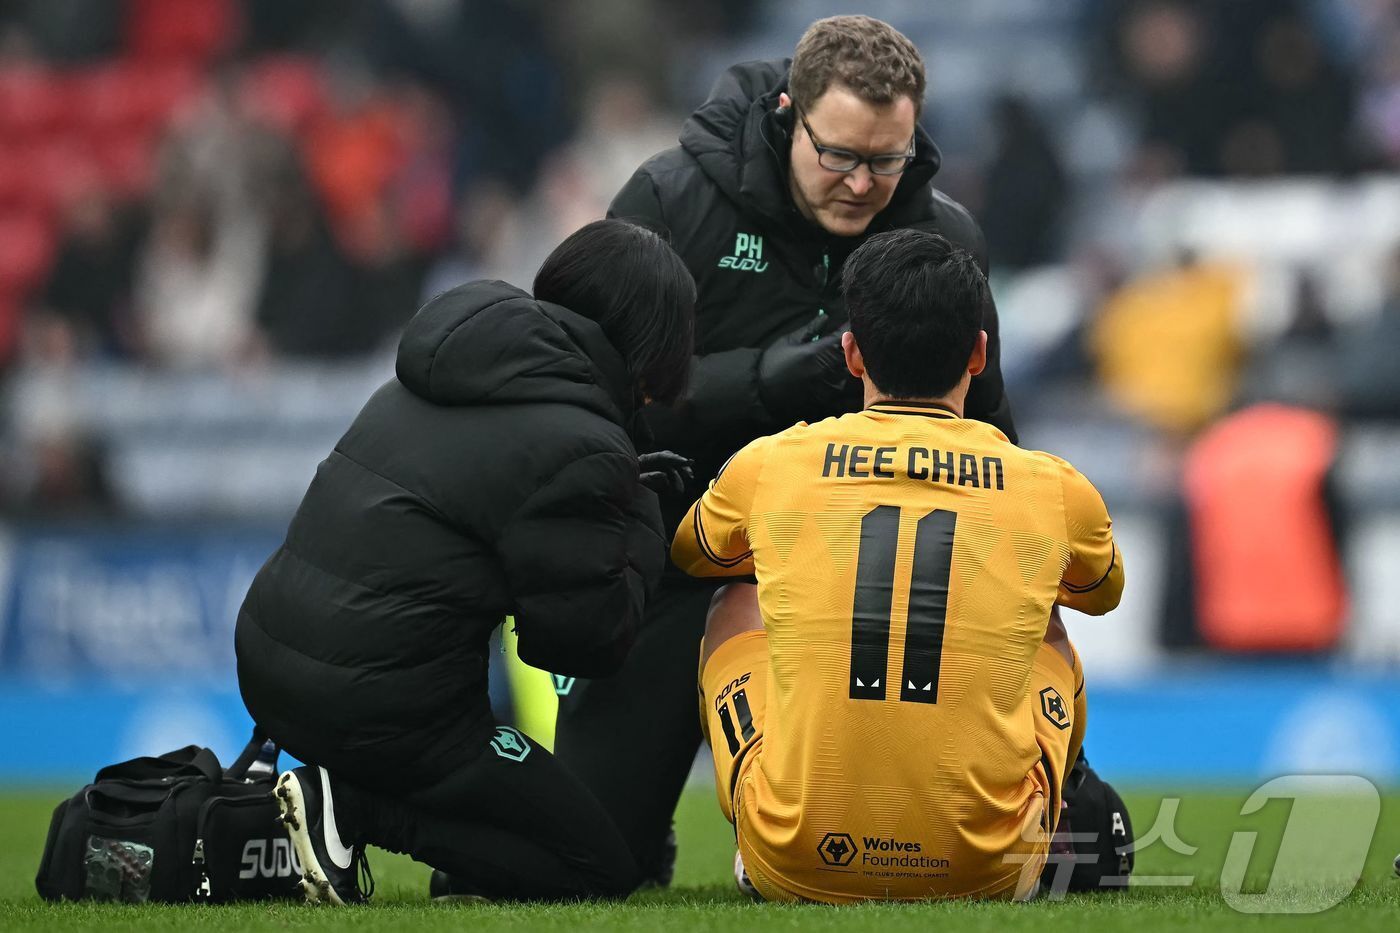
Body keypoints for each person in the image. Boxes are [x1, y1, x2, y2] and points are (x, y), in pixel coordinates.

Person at [553, 14, 1018, 885]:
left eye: (888, 159)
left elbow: (989, 424)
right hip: (673, 566)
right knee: (580, 860)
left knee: (1006, 847)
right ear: (786, 113)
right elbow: (593, 397)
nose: (863, 183)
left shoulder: (943, 238)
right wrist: (765, 381)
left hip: (865, 592)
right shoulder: (667, 203)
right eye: (839, 154)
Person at [234, 219, 695, 904]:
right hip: (382, 709)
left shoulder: (445, 365)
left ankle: (372, 823)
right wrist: (642, 518)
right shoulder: (582, 442)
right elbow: (582, 644)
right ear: (655, 342)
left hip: (271, 666)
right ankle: (350, 808)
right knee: (598, 865)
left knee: (523, 820)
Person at [672, 229, 1125, 902]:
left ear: (852, 354)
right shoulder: (1054, 486)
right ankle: (1046, 815)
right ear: (978, 352)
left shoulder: (771, 463)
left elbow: (693, 554)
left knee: (734, 600)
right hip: (988, 869)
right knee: (1049, 622)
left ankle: (765, 826)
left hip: (795, 857)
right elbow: (1102, 592)